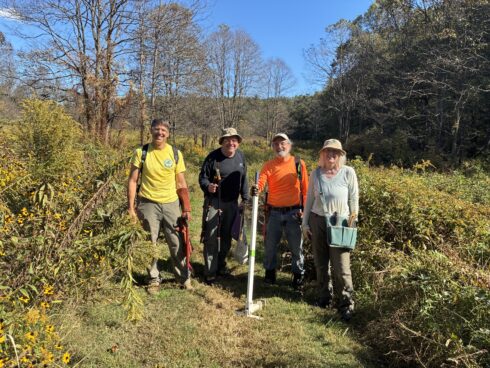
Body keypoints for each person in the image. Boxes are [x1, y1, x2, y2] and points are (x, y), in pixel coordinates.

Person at [127, 118, 193, 293]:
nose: (160, 133)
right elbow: (133, 181)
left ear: (168, 133)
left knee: (177, 242)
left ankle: (183, 277)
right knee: (150, 242)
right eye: (156, 129)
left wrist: (186, 207)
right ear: (151, 130)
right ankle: (153, 278)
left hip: (171, 204)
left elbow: (181, 183)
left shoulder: (175, 153)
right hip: (148, 204)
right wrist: (131, 208)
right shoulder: (141, 152)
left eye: (163, 130)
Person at [302, 139, 359, 321]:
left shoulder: (348, 173)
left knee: (342, 267)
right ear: (322, 154)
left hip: (340, 223)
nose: (331, 155)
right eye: (327, 151)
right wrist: (305, 224)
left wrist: (353, 221)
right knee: (321, 263)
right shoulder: (316, 174)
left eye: (335, 152)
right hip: (317, 220)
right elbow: (309, 199)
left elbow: (354, 199)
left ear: (340, 155)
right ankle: (324, 297)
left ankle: (346, 304)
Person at [251, 133, 308, 290]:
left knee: (297, 247)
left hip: (294, 212)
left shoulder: (298, 163)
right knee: (270, 246)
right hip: (274, 213)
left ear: (289, 145)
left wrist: (305, 211)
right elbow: (261, 181)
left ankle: (298, 277)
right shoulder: (269, 165)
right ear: (273, 147)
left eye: (282, 143)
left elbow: (305, 190)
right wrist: (257, 188)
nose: (279, 146)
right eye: (276, 144)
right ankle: (270, 274)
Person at [199, 127, 250, 284]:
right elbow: (202, 178)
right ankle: (210, 271)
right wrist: (208, 186)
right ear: (222, 141)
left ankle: (221, 265)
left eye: (234, 140)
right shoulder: (213, 157)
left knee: (227, 237)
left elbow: (244, 179)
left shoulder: (241, 157)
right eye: (227, 140)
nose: (231, 143)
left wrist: (246, 199)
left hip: (233, 204)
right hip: (214, 202)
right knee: (211, 236)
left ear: (238, 142)